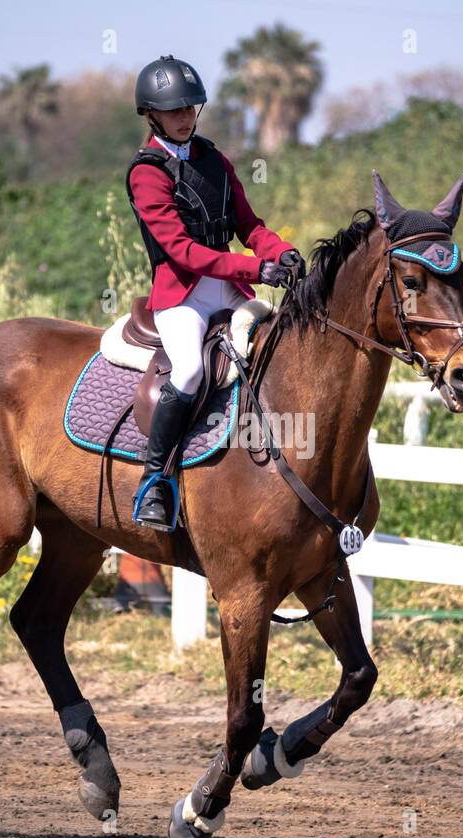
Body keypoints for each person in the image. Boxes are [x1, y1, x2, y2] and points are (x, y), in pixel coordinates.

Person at [125, 54, 304, 531]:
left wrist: (280, 252)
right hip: (181, 297)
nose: (185, 117)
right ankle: (154, 480)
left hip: (228, 288)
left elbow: (250, 225)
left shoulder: (215, 161)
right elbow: (181, 251)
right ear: (152, 115)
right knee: (187, 370)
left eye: (191, 108)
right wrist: (256, 267)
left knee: (281, 345)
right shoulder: (146, 173)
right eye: (174, 111)